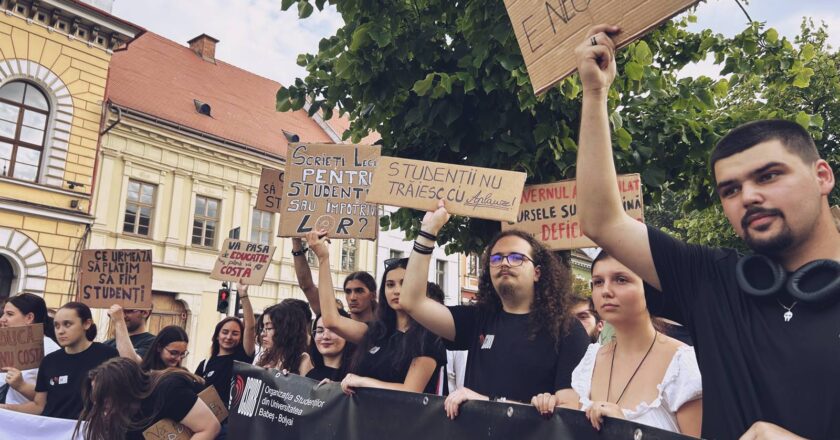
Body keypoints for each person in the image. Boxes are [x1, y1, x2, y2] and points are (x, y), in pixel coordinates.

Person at [574, 24, 840, 439]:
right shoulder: (714, 280)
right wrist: (594, 95)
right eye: (730, 189)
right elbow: (601, 220)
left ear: (822, 176)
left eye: (769, 176)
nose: (748, 196)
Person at [398, 202, 590, 419]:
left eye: (516, 258)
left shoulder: (567, 329)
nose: (504, 263)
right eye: (496, 258)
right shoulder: (478, 319)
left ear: (537, 272)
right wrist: (428, 231)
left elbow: (569, 410)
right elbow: (412, 301)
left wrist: (490, 404)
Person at [532, 251, 702, 436]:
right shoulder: (591, 359)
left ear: (650, 289)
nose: (606, 290)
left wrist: (628, 431)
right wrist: (550, 409)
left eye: (620, 279)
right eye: (598, 282)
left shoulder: (681, 364)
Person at [308, 232, 447, 396]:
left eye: (404, 283)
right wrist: (323, 259)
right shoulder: (377, 332)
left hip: (403, 420)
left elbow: (411, 390)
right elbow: (332, 321)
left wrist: (361, 382)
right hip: (364, 419)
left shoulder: (429, 335)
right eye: (390, 284)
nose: (396, 291)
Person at [0, 302, 118, 419]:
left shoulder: (107, 354)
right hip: (53, 431)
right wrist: (5, 408)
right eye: (56, 326)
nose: (60, 331)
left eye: (67, 324)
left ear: (87, 324)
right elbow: (39, 406)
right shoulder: (49, 361)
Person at [73, 357, 219, 440]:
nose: (100, 405)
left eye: (105, 399)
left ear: (124, 391)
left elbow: (209, 428)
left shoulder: (170, 391)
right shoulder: (122, 411)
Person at [195, 282, 255, 413]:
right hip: (206, 423)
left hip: (232, 425)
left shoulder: (242, 358)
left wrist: (243, 295)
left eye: (235, 333)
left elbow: (250, 328)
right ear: (217, 336)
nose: (228, 337)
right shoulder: (205, 365)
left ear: (241, 337)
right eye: (225, 332)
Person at [292, 237, 378, 322]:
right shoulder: (340, 319)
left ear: (373, 295)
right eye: (348, 292)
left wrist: (323, 258)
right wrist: (296, 243)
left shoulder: (385, 328)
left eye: (359, 291)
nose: (352, 297)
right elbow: (307, 286)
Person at [0, 293, 61, 404]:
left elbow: (54, 397)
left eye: (9, 314)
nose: (2, 319)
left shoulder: (50, 350)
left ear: (29, 318)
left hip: (21, 419)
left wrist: (21, 386)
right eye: (3, 314)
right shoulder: (4, 344)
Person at [254, 301, 313, 375]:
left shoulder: (302, 359)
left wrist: (287, 381)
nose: (263, 334)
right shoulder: (265, 357)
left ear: (285, 330)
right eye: (263, 328)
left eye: (269, 328)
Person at [306, 312, 353, 382]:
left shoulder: (354, 377)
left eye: (333, 330)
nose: (325, 336)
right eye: (320, 331)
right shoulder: (310, 375)